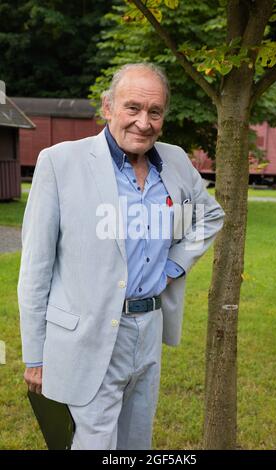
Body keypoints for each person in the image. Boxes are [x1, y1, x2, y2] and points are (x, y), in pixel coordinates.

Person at [18, 63, 225, 450]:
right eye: (133, 108)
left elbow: (209, 215)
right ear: (108, 107)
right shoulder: (60, 163)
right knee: (94, 443)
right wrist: (35, 355)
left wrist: (174, 264)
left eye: (155, 112)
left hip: (148, 327)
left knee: (135, 442)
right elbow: (35, 269)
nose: (143, 122)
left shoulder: (175, 160)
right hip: (87, 334)